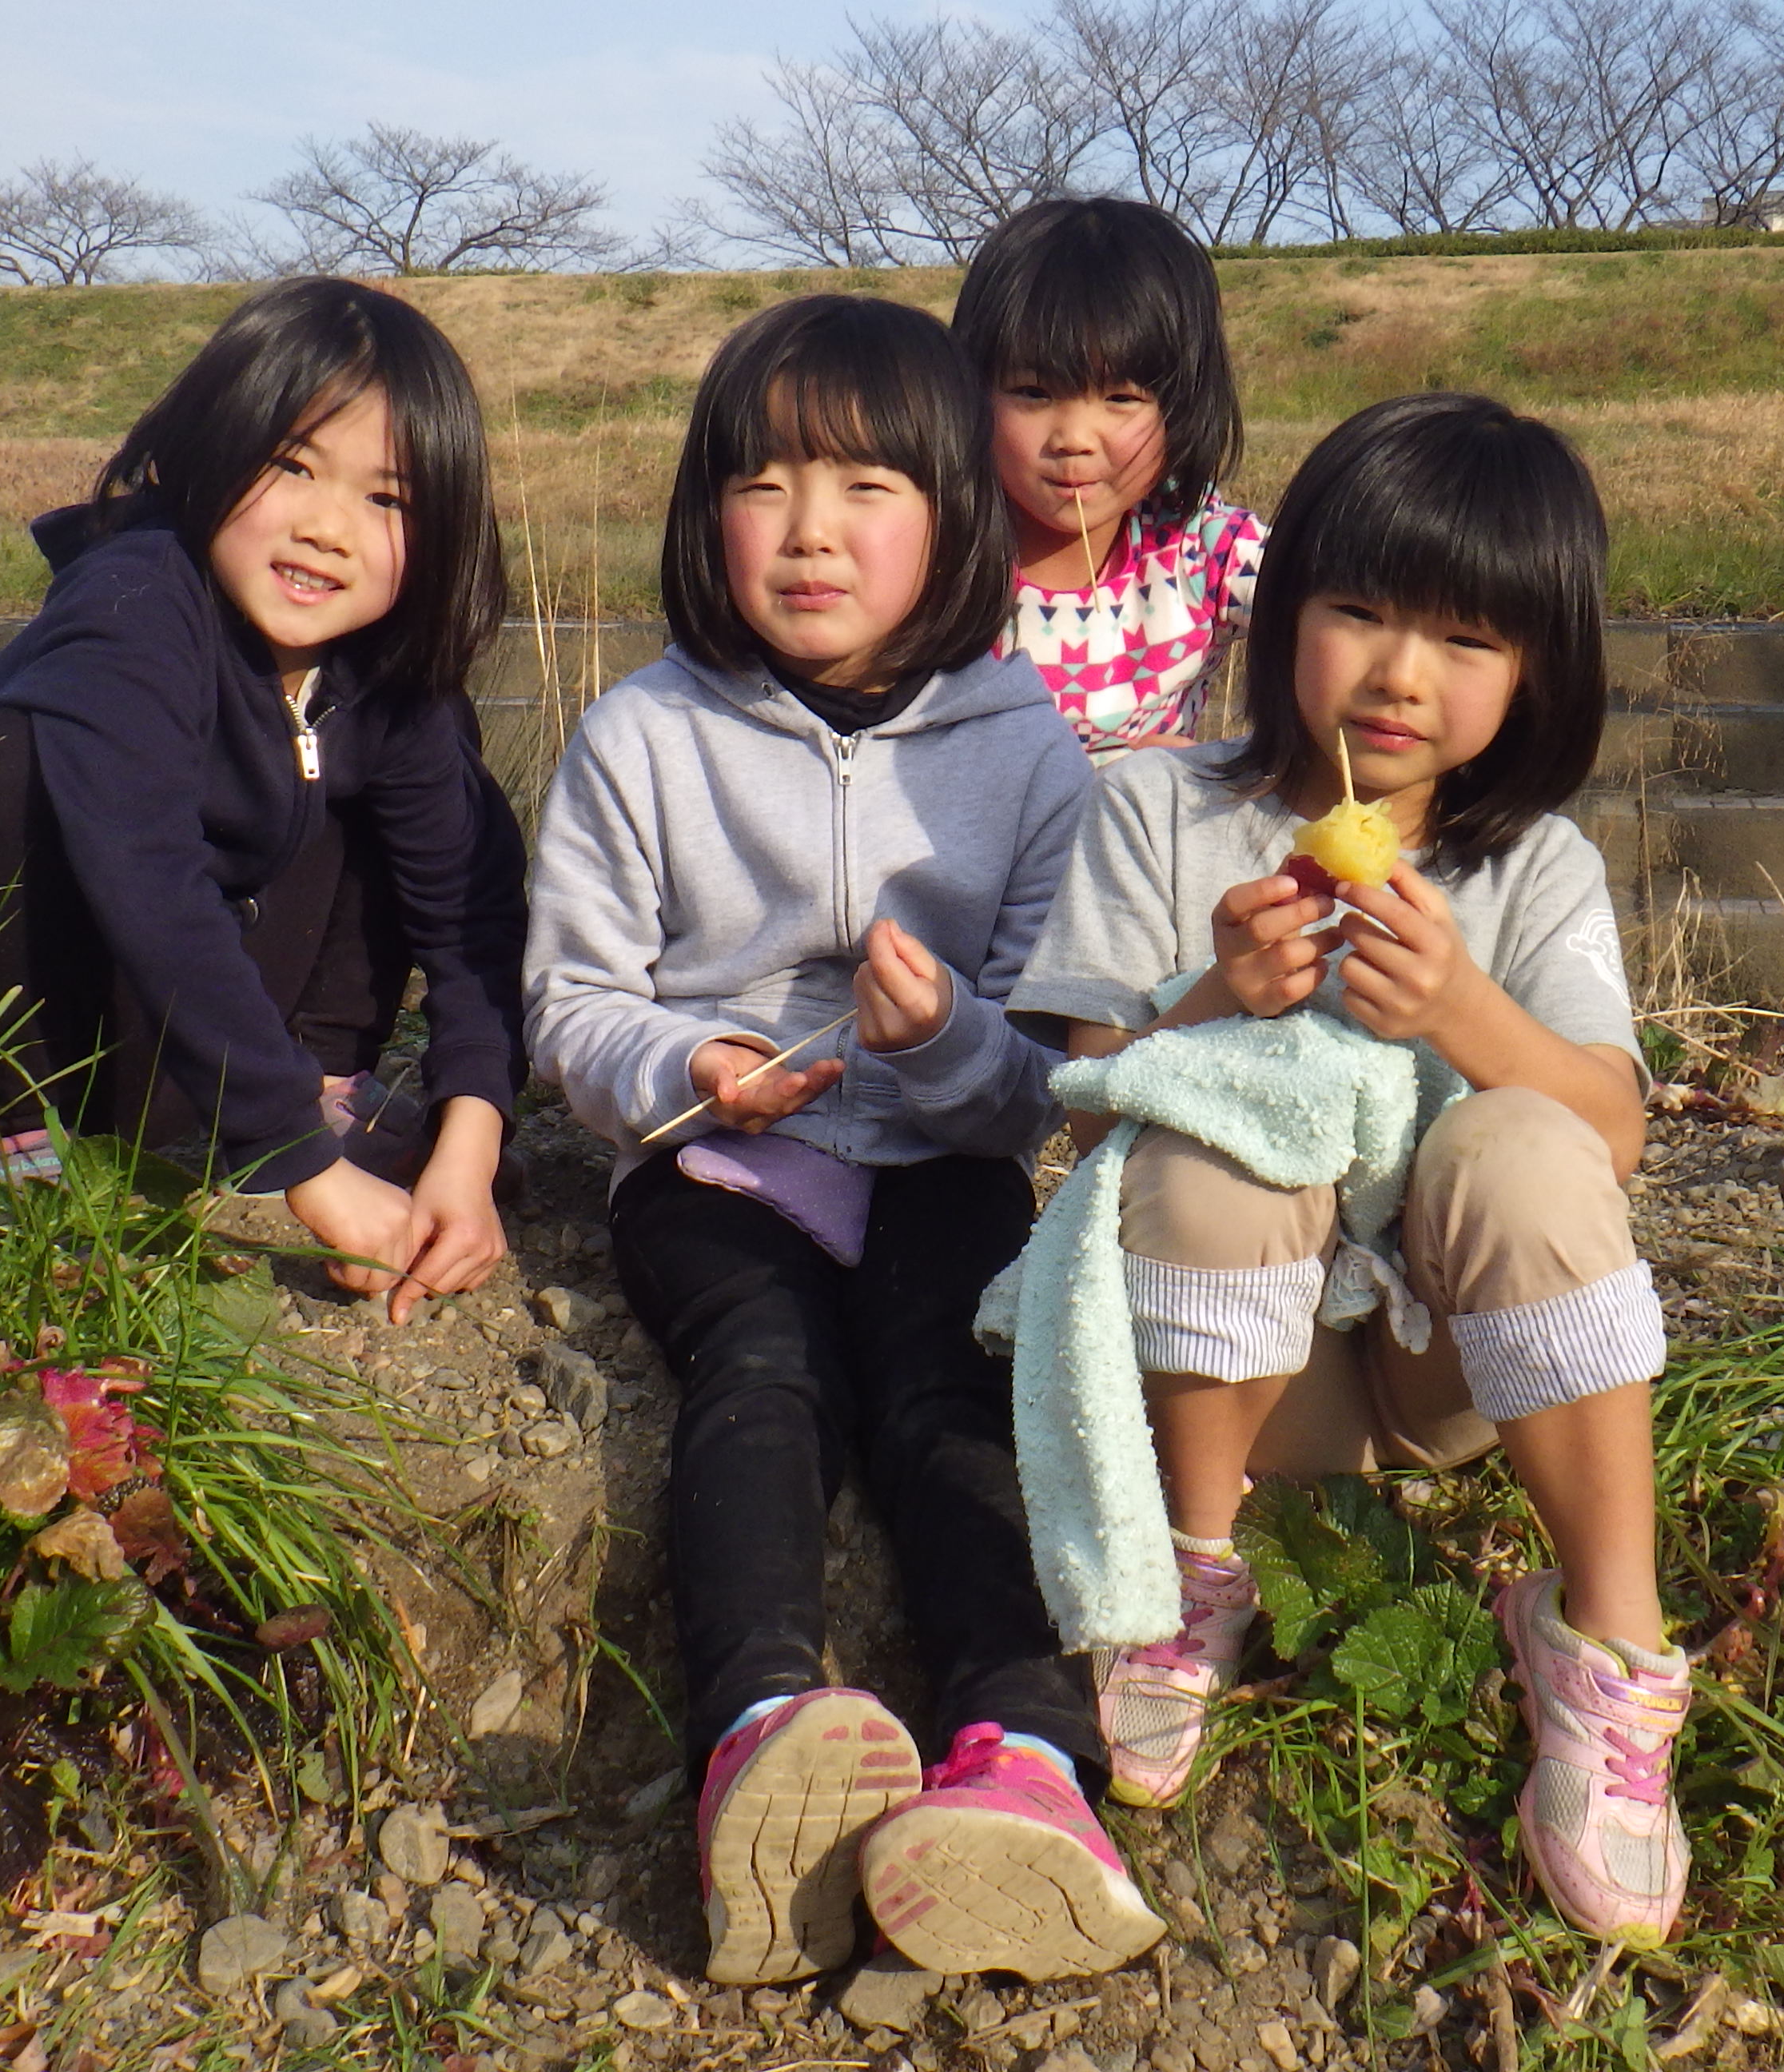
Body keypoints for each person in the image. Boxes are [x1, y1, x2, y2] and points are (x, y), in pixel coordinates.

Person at [524, 293, 1164, 1988]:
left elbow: (1048, 1085)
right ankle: (759, 1729)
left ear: (957, 518)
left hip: (943, 1163)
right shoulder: (639, 737)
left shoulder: (1031, 757)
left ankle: (1025, 1763)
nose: (811, 530)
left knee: (954, 1387)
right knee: (761, 1368)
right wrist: (692, 1065)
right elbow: (573, 1008)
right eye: (765, 484)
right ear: (704, 515)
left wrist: (950, 1042)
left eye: (869, 487)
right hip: (721, 1168)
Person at [1009, 393, 1696, 1946]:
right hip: (1240, 1395)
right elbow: (1082, 1107)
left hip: (1457, 1376)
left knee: (1528, 1133)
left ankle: (1607, 1641)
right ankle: (1188, 1579)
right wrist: (1210, 1004)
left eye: (1465, 640)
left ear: (1537, 674)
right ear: (1285, 614)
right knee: (1209, 1115)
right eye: (1360, 613)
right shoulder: (1156, 810)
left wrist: (1463, 1010)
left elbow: (1617, 1133)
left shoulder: (1537, 868)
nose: (1400, 674)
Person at [0, 277, 525, 1324]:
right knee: (27, 762)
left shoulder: (386, 671)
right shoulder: (132, 604)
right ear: (200, 452)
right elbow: (152, 893)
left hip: (166, 1034)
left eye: (387, 499)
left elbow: (467, 920)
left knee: (435, 788)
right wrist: (313, 1180)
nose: (330, 528)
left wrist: (469, 1151)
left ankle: (317, 1085)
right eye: (291, 466)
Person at [954, 197, 1265, 761]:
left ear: (1184, 407)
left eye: (1121, 398)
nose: (1073, 436)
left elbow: (1343, 619)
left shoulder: (1202, 548)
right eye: (1032, 393)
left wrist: (1233, 774)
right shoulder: (941, 554)